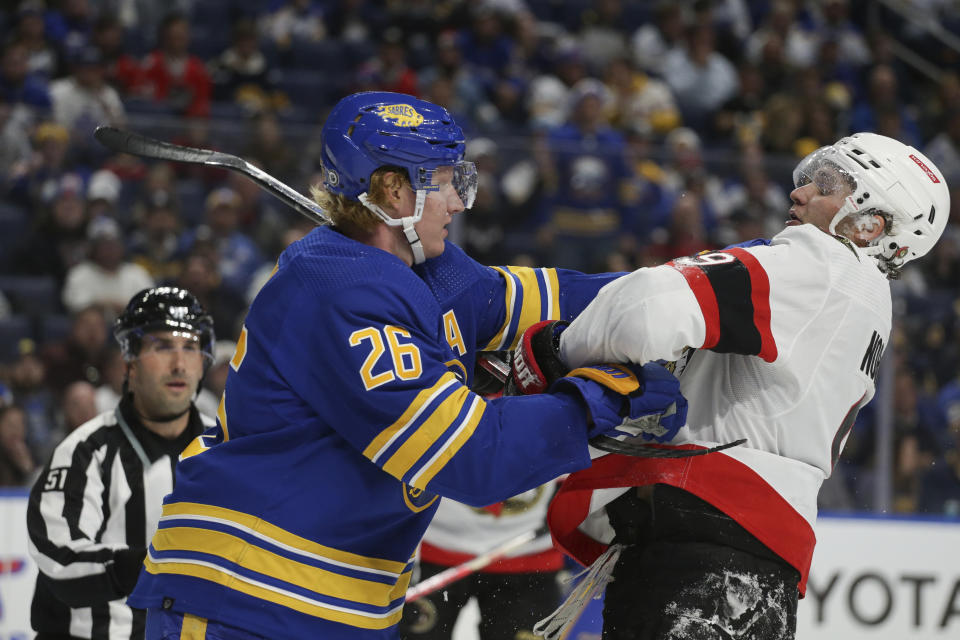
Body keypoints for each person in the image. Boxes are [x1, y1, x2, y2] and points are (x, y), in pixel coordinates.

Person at [125, 91, 688, 640]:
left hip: (331, 606)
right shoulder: (343, 293)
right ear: (393, 190)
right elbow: (469, 456)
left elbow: (541, 295)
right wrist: (601, 399)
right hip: (247, 599)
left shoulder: (417, 271)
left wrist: (684, 290)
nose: (459, 202)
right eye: (443, 182)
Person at [523, 132, 951, 640]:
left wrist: (554, 351)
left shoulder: (820, 265)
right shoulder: (868, 303)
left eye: (828, 184)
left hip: (704, 546)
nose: (800, 192)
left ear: (869, 223)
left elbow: (646, 308)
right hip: (759, 560)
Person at [27, 287, 217, 640]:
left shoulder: (225, 447)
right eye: (163, 346)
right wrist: (160, 565)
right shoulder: (85, 451)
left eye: (190, 347)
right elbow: (59, 558)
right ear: (129, 359)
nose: (179, 364)